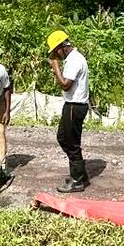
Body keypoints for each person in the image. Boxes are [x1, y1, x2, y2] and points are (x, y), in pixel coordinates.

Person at [46, 29, 90, 192]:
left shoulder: (74, 60)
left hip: (75, 105)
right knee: (63, 137)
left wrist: (55, 67)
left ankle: (77, 180)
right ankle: (80, 172)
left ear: (62, 46)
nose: (56, 55)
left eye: (56, 51)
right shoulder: (73, 58)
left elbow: (65, 84)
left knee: (71, 143)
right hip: (71, 105)